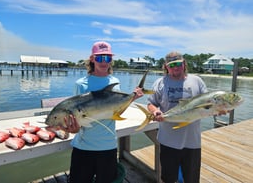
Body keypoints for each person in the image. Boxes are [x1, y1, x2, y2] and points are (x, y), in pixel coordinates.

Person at [63, 41, 144, 183]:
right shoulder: (81, 84)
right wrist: (73, 128)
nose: (104, 61)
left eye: (108, 58)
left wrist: (132, 99)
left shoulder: (115, 81)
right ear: (92, 59)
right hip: (83, 147)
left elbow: (116, 111)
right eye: (100, 57)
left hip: (108, 146)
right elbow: (75, 116)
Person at [147, 51, 208, 183]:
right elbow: (151, 103)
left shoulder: (197, 81)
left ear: (184, 64)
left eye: (178, 64)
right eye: (172, 64)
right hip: (168, 140)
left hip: (192, 141)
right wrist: (155, 111)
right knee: (168, 178)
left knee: (191, 179)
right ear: (166, 67)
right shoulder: (160, 83)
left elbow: (208, 104)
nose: (175, 67)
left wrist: (220, 109)